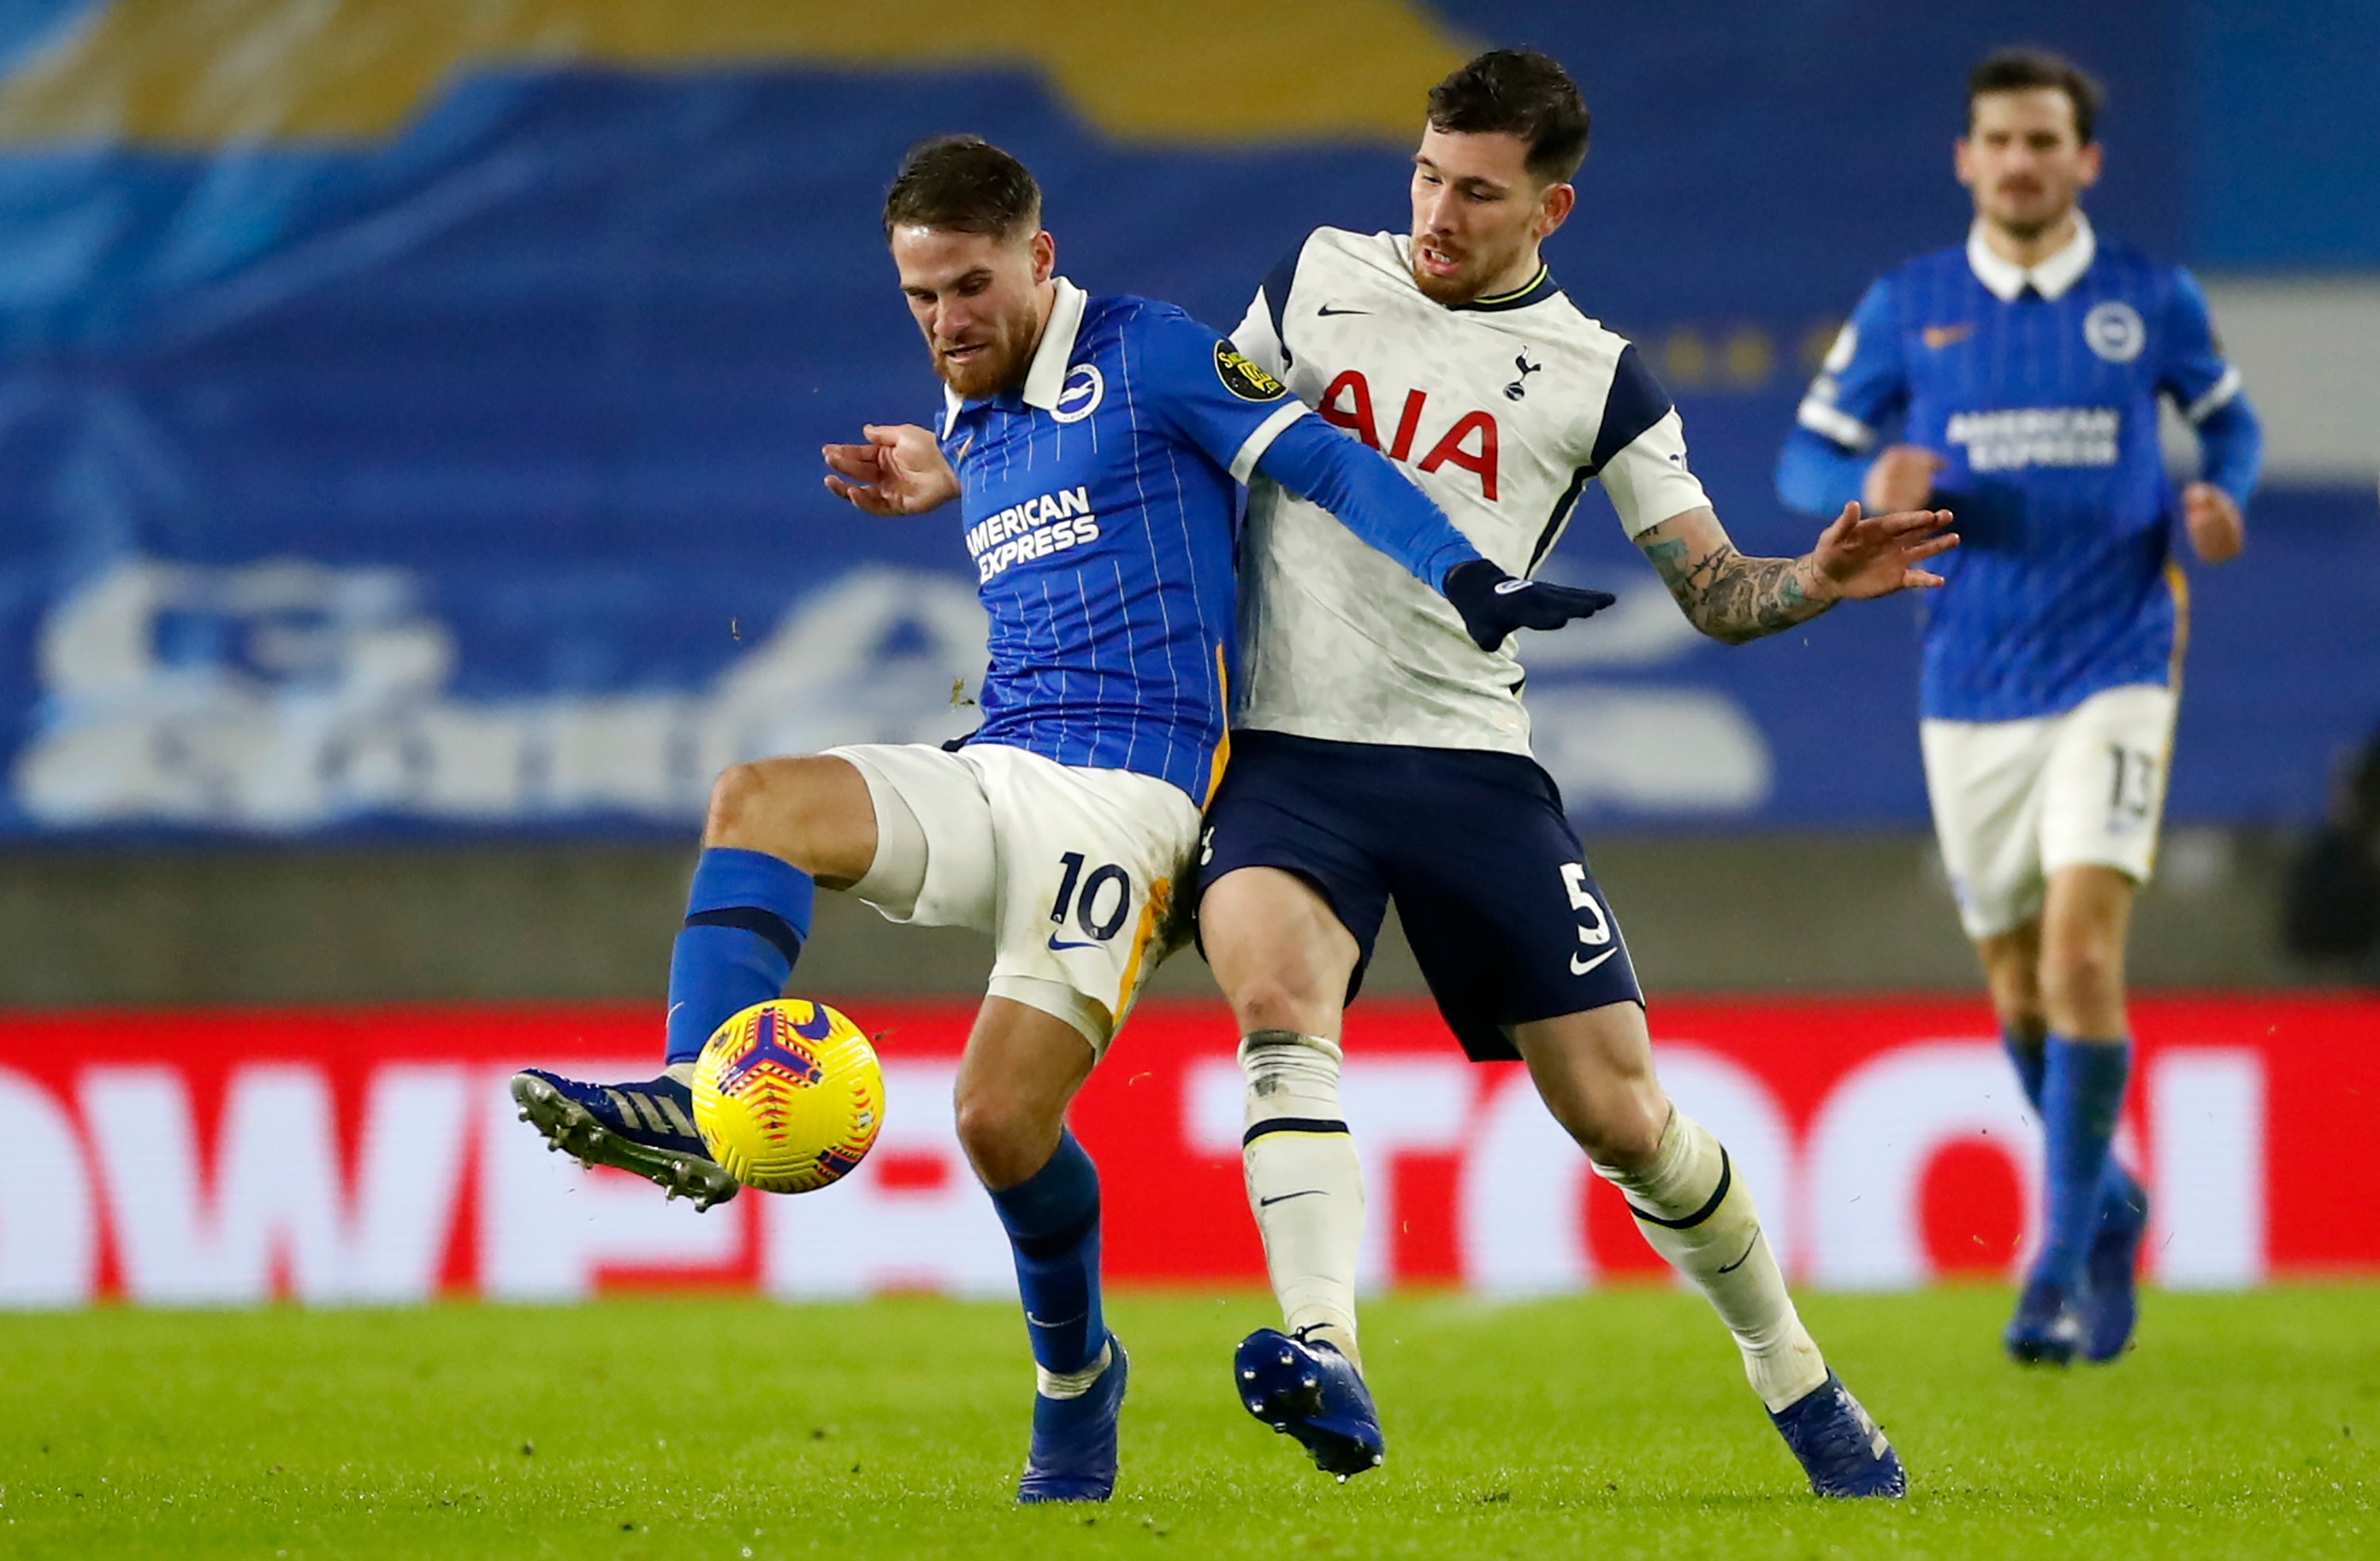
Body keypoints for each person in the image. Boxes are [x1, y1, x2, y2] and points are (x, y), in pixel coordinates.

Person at [509, 134, 1606, 1505]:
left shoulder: (1152, 353)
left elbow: (1316, 462)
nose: (945, 325)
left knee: (994, 1124)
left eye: (969, 289)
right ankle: (693, 1087)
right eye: (918, 300)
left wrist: (1462, 570)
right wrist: (947, 471)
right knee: (757, 801)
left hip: (1136, 800)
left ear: (1041, 256)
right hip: (1000, 762)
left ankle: (1076, 1383)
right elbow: (1073, 492)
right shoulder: (974, 411)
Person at [1203, 50, 1949, 1498]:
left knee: (1622, 1118)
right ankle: (1327, 1357)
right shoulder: (1312, 280)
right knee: (1277, 1014)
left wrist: (1817, 580)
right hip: (1293, 760)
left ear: (1552, 206)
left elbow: (1717, 590)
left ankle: (1793, 1376)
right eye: (1426, 173)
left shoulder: (1604, 381)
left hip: (1473, 771)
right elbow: (1198, 437)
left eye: (1477, 193)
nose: (1437, 211)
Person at [1776, 48, 2263, 1366]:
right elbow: (1799, 453)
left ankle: (2051, 1267)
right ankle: (2107, 1206)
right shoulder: (1910, 306)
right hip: (1970, 678)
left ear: (2086, 161)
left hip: (2118, 656)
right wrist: (1864, 469)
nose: (2023, 161)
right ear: (1967, 158)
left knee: (2082, 954)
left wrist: (2224, 501)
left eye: (2047, 141)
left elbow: (2233, 432)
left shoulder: (2147, 301)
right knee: (2014, 975)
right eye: (2000, 139)